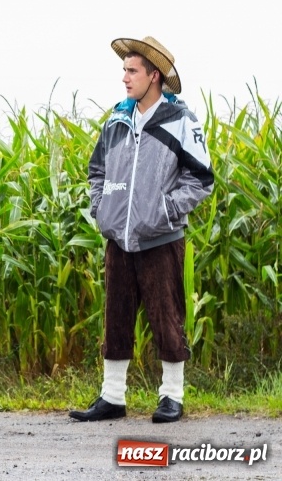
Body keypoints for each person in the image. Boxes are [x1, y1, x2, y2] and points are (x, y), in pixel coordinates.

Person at [70, 36, 213, 424]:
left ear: (154, 76)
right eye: (124, 70)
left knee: (167, 316)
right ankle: (112, 397)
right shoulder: (116, 120)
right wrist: (102, 209)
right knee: (116, 317)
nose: (125, 77)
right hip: (119, 238)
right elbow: (96, 171)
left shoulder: (180, 121)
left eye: (132, 71)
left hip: (160, 238)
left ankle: (172, 396)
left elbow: (201, 178)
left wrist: (166, 211)